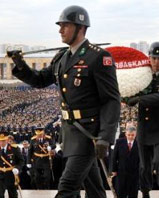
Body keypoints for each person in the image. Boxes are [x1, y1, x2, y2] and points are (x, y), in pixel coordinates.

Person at [10, 5, 120, 198]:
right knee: (94, 187)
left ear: (80, 28)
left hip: (88, 133)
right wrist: (21, 65)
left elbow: (111, 100)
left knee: (68, 185)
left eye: (65, 26)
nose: (60, 30)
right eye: (60, 26)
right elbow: (40, 80)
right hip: (70, 131)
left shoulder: (99, 57)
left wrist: (106, 136)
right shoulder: (62, 57)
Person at [127, 41, 159, 198]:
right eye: (153, 58)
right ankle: (145, 193)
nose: (156, 61)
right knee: (145, 166)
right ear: (149, 58)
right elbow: (129, 93)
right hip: (145, 127)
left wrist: (139, 98)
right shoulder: (142, 77)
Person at [112, 126, 139, 198]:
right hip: (121, 172)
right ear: (126, 134)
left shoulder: (139, 143)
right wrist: (114, 170)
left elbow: (141, 159)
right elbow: (114, 157)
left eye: (132, 135)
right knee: (120, 192)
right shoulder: (119, 142)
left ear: (135, 134)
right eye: (129, 135)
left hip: (134, 173)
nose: (130, 137)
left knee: (133, 193)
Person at [0, 131, 24, 198]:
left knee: (13, 195)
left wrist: (17, 168)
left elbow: (21, 161)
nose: (2, 143)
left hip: (11, 175)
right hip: (0, 175)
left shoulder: (14, 149)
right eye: (0, 141)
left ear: (7, 140)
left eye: (4, 141)